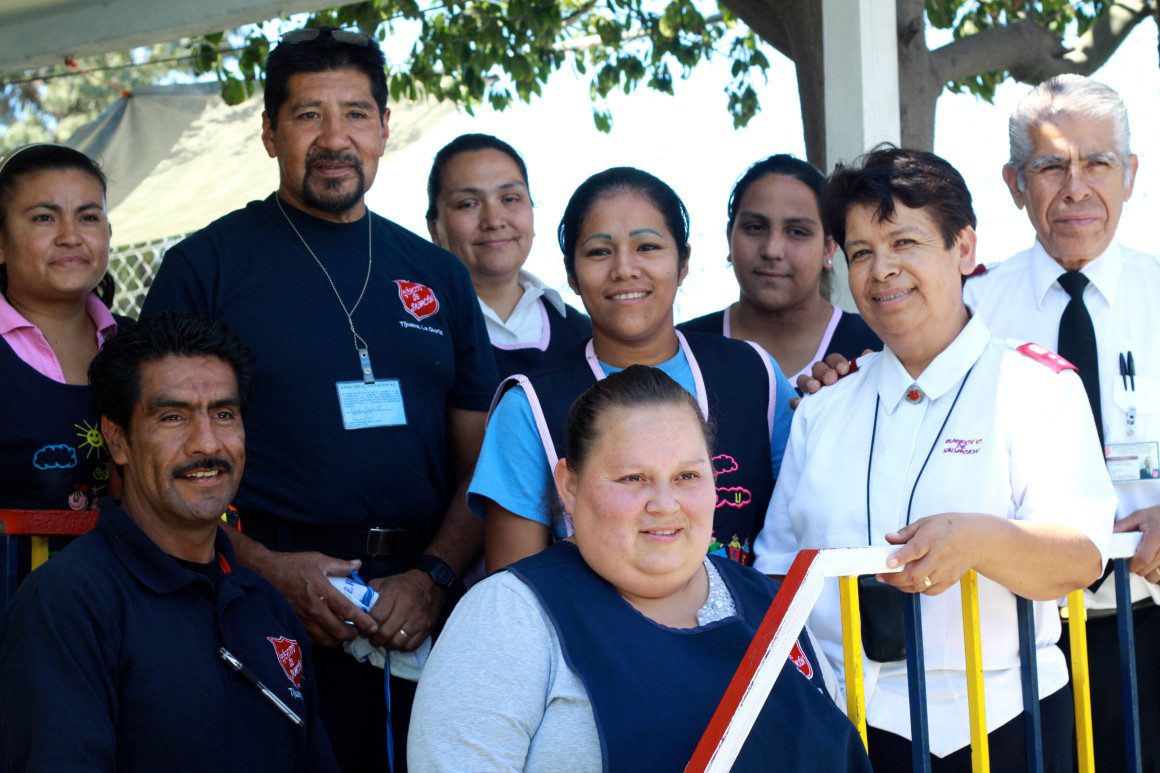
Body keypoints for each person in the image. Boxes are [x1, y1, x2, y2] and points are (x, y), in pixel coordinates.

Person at [140, 26, 499, 771]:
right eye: (308, 116)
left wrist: (431, 577)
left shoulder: (437, 274)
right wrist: (269, 568)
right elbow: (155, 461)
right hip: (256, 602)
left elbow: (484, 462)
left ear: (384, 130)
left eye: (356, 115)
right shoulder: (206, 266)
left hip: (418, 612)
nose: (335, 139)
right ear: (269, 132)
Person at [755, 146, 1117, 770]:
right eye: (862, 252)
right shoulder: (820, 408)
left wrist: (979, 541)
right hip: (849, 735)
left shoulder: (1038, 388)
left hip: (1006, 729)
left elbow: (1080, 557)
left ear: (964, 249)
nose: (882, 270)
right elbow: (775, 575)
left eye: (905, 243)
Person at [410, 365, 871, 771]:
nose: (665, 505)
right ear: (568, 486)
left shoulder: (770, 605)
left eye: (687, 477)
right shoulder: (509, 616)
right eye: (634, 479)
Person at [0, 312, 338, 771]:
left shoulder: (267, 605)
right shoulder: (67, 604)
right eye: (173, 416)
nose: (207, 444)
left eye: (223, 414)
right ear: (117, 440)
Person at [962, 75, 1160, 772]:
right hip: (1020, 639)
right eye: (1051, 165)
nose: (1075, 187)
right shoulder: (968, 311)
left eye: (1098, 162)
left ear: (1131, 175)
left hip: (1150, 622)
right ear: (1017, 184)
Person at [470, 167, 795, 573]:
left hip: (755, 634)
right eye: (599, 252)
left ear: (683, 261)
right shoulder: (530, 406)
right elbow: (515, 591)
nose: (625, 269)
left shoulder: (754, 374)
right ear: (571, 273)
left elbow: (805, 525)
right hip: (595, 637)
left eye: (647, 247)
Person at [0, 143, 127, 512]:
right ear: (1, 242)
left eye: (88, 217)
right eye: (45, 218)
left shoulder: (143, 346)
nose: (70, 236)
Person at [679, 154, 880, 381]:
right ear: (729, 238)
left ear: (828, 248)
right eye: (755, 227)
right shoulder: (682, 348)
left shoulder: (874, 351)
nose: (772, 250)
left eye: (797, 232)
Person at [426, 133, 591, 377]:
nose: (493, 220)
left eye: (510, 199)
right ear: (434, 229)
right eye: (468, 204)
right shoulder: (419, 331)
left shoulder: (583, 334)